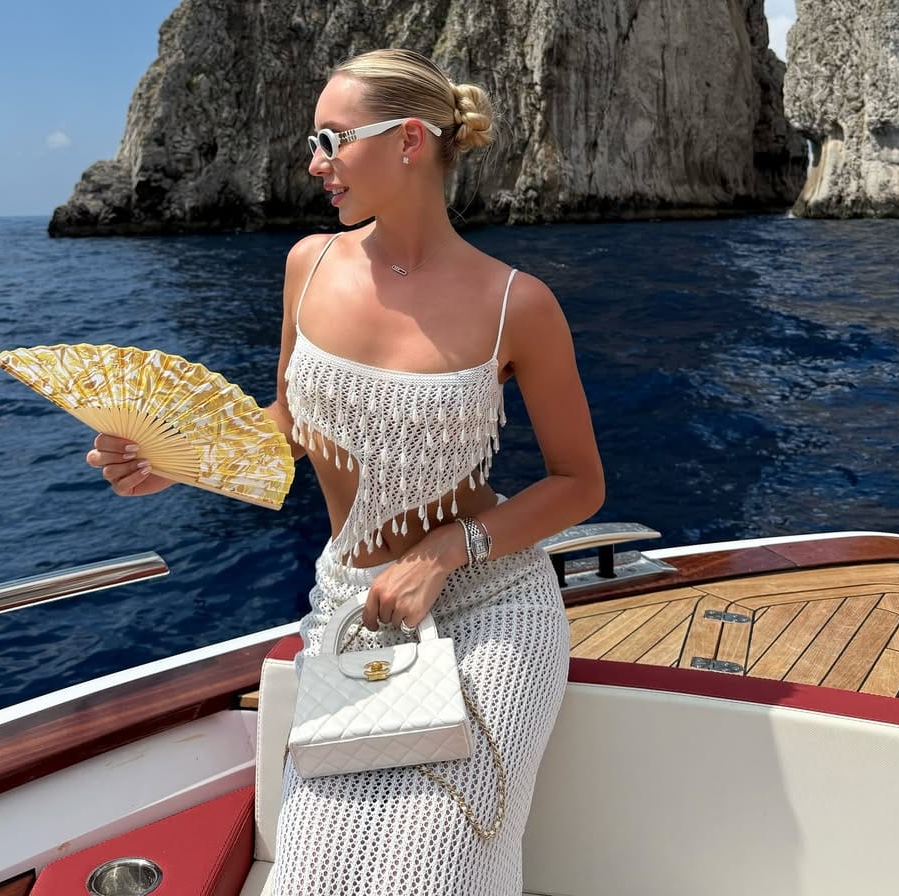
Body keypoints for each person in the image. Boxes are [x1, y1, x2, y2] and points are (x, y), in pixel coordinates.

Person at [88, 47, 604, 895]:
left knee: (438, 871)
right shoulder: (309, 265)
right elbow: (287, 425)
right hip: (354, 612)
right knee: (314, 877)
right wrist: (168, 459)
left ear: (408, 141)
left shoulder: (520, 303)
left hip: (492, 612)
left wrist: (446, 553)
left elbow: (579, 483)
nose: (314, 162)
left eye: (332, 139)